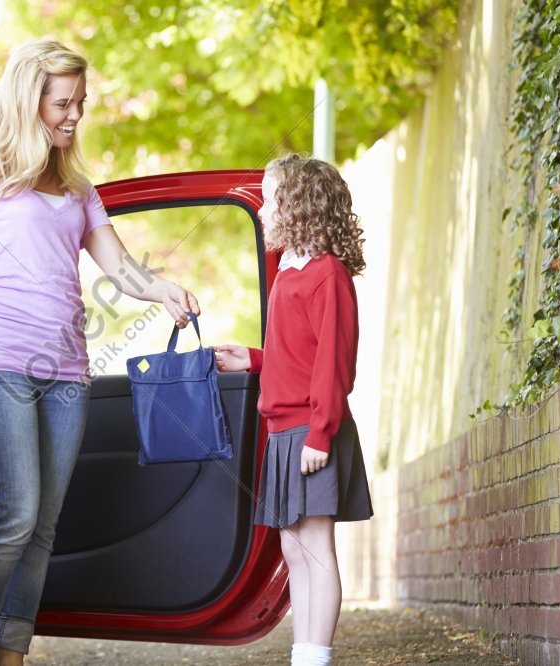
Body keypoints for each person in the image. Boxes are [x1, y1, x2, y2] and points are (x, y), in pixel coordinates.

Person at [0, 39, 201, 666]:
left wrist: (162, 292)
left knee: (43, 528)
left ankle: (14, 655)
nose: (75, 115)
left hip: (67, 375)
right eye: (63, 103)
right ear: (30, 100)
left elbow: (118, 265)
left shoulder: (78, 186)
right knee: (15, 514)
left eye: (81, 102)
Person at [214, 155, 373, 666]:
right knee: (292, 548)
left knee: (314, 546)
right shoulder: (290, 269)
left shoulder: (327, 274)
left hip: (311, 429)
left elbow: (334, 363)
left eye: (268, 197)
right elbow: (297, 353)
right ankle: (304, 653)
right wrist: (254, 359)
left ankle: (315, 656)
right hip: (287, 428)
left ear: (295, 204)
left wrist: (321, 436)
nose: (261, 210)